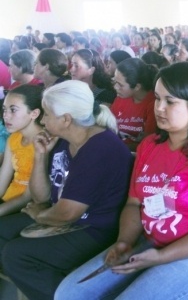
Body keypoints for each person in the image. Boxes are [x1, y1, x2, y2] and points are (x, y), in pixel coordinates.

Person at [55, 62, 188, 299]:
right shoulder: (150, 145)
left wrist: (161, 257)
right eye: (157, 98)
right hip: (153, 242)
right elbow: (134, 204)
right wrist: (125, 242)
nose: (159, 108)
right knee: (70, 294)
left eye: (171, 101)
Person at [0, 80, 133, 300]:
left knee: (18, 256)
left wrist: (39, 214)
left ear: (66, 119)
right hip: (63, 216)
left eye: (47, 115)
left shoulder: (100, 148)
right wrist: (40, 155)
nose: (43, 120)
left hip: (93, 229)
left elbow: (67, 213)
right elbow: (42, 196)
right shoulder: (63, 140)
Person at [0, 85, 44, 216]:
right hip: (7, 200)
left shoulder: (44, 142)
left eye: (13, 110)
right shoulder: (13, 139)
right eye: (4, 110)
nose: (6, 116)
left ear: (34, 113)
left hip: (27, 208)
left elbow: (28, 196)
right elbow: (3, 177)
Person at [110, 58, 158, 151]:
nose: (115, 87)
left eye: (120, 85)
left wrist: (115, 148)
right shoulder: (121, 98)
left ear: (137, 87)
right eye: (114, 81)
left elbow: (146, 144)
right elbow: (108, 125)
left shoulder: (153, 105)